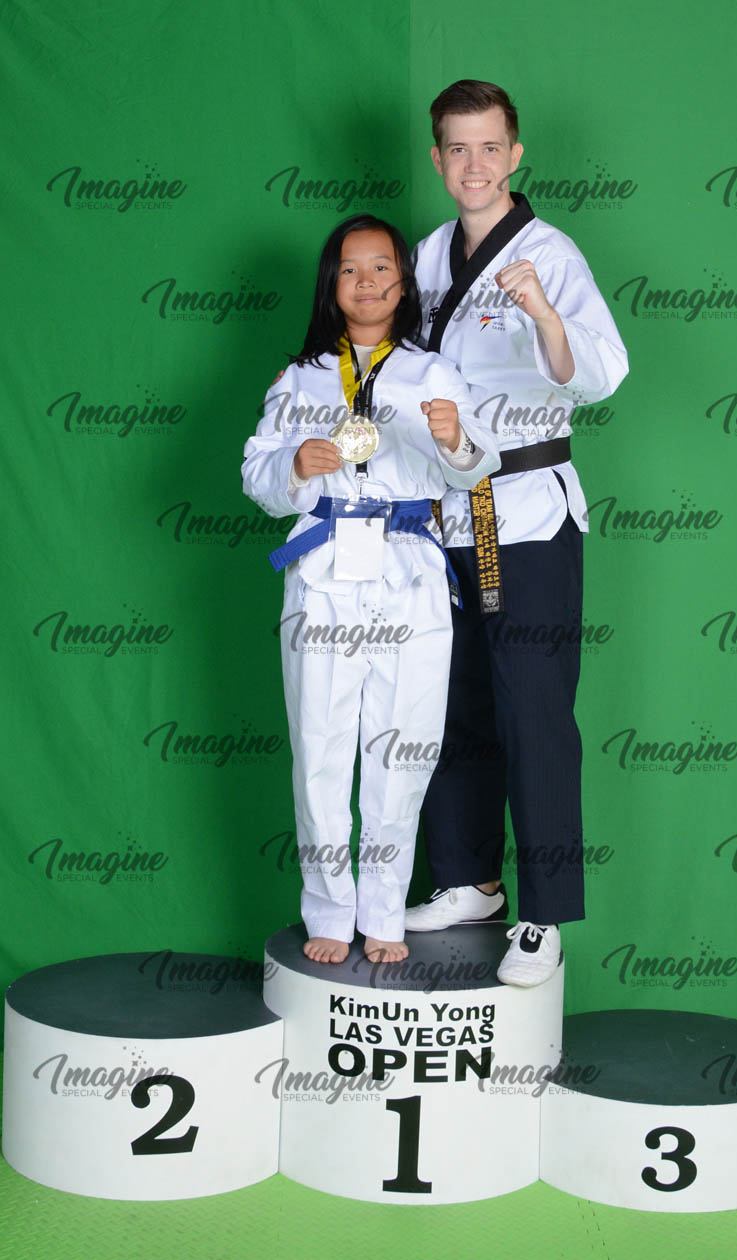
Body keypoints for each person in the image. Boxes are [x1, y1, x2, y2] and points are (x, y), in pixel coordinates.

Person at [405, 81, 629, 986]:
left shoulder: (550, 254)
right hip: (447, 513)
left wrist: (541, 312)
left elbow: (603, 373)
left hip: (527, 512)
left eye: (490, 148)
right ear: (437, 159)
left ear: (516, 155)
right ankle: (468, 879)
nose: (474, 166)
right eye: (457, 149)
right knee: (452, 701)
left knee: (533, 710)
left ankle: (543, 916)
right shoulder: (426, 257)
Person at [242, 214, 500, 965]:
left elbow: (475, 470)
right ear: (332, 284)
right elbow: (257, 476)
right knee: (319, 744)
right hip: (325, 571)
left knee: (404, 745)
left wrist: (455, 439)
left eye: (381, 267)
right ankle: (328, 909)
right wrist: (296, 463)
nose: (366, 282)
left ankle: (384, 909)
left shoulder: (433, 374)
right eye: (350, 269)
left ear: (403, 282)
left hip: (409, 567)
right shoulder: (300, 379)